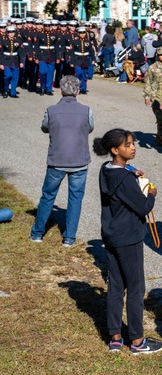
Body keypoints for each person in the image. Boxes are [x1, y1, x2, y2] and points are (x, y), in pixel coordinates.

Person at [94, 128, 162, 355]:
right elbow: (144, 206)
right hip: (129, 238)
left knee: (115, 286)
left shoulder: (106, 170)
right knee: (135, 289)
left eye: (133, 143)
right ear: (115, 150)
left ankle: (115, 337)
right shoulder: (124, 179)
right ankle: (137, 341)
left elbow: (119, 179)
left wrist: (131, 173)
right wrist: (151, 192)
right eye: (127, 145)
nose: (133, 147)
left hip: (111, 234)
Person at [30, 76, 94, 247]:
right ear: (78, 91)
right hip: (79, 160)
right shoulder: (86, 110)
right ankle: (69, 237)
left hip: (57, 159)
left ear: (61, 90)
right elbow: (90, 127)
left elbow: (44, 127)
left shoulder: (51, 110)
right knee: (75, 198)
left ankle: (37, 232)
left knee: (48, 196)